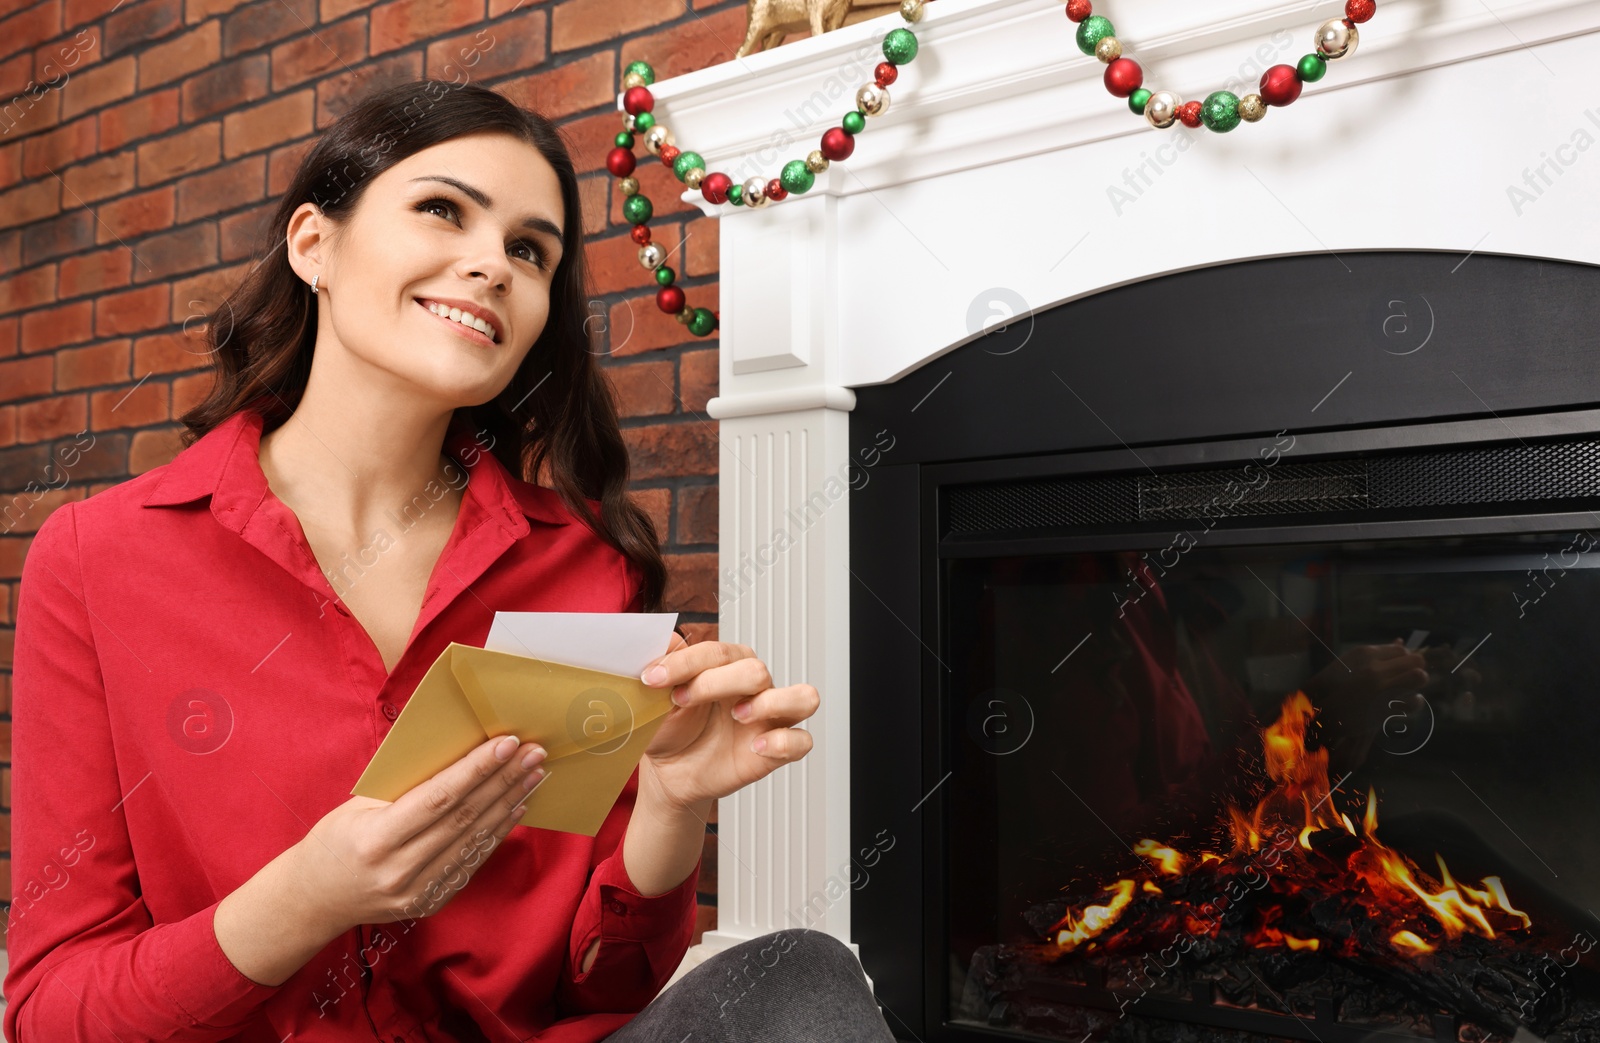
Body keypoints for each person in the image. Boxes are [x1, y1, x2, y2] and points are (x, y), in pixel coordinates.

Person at [4, 80, 896, 1043]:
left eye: (529, 250)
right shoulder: (102, 558)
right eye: (442, 209)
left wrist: (672, 805)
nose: (491, 265)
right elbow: (51, 1012)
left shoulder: (584, 568)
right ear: (314, 245)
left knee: (803, 971)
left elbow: (601, 993)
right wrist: (309, 894)